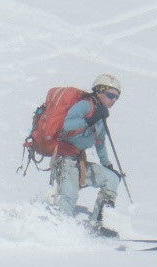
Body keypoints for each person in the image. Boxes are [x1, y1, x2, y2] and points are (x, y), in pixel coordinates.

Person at [50, 73, 124, 233]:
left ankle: (98, 223)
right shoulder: (85, 105)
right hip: (64, 159)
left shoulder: (101, 114)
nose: (114, 100)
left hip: (78, 161)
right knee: (70, 195)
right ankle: (57, 229)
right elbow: (65, 125)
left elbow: (100, 142)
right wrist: (89, 120)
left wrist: (107, 165)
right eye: (111, 95)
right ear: (99, 91)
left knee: (111, 179)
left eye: (117, 97)